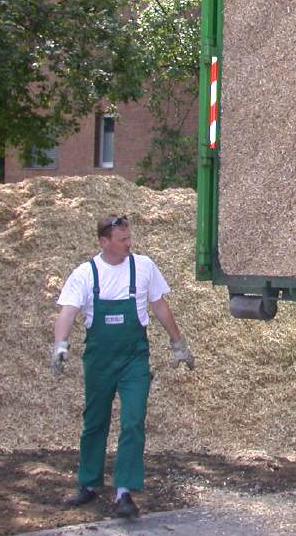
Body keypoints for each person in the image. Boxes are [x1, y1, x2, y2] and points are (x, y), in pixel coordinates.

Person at [50, 214, 195, 519]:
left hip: (134, 358)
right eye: (122, 239)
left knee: (133, 421)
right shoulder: (85, 274)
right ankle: (89, 483)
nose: (129, 243)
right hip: (100, 359)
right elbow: (68, 311)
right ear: (104, 242)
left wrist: (177, 343)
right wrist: (60, 344)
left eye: (129, 238)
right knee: (95, 421)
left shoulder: (143, 267)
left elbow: (159, 306)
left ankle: (124, 491)